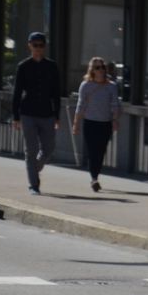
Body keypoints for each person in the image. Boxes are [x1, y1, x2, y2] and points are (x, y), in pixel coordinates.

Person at [11, 31, 62, 195]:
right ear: (29, 46)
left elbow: (56, 92)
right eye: (35, 45)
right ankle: (34, 184)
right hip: (28, 113)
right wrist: (16, 116)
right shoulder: (23, 66)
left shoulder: (52, 66)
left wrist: (57, 115)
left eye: (41, 45)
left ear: (44, 47)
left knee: (49, 148)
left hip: (47, 113)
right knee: (30, 150)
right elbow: (17, 92)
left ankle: (35, 168)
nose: (38, 48)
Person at [71, 57, 122, 193]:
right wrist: (76, 124)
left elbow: (115, 104)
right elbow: (80, 105)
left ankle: (95, 175)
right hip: (90, 122)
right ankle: (94, 179)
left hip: (105, 123)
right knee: (92, 151)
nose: (100, 70)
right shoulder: (86, 85)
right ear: (92, 70)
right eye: (97, 68)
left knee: (101, 151)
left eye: (102, 67)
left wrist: (115, 120)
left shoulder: (111, 86)